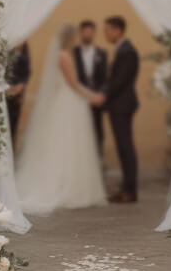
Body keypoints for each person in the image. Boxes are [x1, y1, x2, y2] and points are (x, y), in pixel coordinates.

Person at [16, 24, 106, 214]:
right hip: (68, 103)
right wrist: (92, 96)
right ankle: (67, 188)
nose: (77, 38)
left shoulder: (65, 54)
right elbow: (73, 84)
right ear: (70, 37)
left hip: (69, 102)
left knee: (70, 144)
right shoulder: (64, 56)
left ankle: (74, 187)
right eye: (75, 36)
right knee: (67, 144)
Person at [93, 15, 140, 203]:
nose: (105, 33)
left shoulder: (127, 51)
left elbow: (119, 80)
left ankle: (130, 190)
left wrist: (103, 95)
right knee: (122, 147)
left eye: (108, 30)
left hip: (122, 105)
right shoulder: (123, 50)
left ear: (118, 30)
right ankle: (126, 187)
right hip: (119, 105)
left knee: (126, 147)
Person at [73, 20, 108, 153]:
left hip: (96, 99)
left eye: (90, 32)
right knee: (79, 130)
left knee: (97, 129)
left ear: (94, 33)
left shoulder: (102, 53)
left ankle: (98, 158)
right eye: (85, 32)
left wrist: (100, 94)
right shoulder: (73, 52)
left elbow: (105, 77)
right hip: (78, 98)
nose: (88, 34)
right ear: (81, 33)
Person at [6, 42, 31, 141]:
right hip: (6, 91)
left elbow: (25, 77)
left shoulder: (24, 58)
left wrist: (18, 89)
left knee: (13, 122)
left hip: (16, 94)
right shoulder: (8, 56)